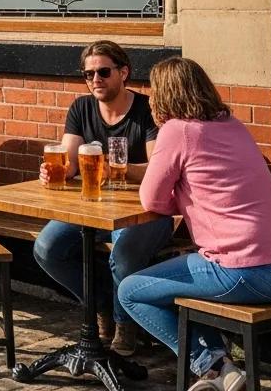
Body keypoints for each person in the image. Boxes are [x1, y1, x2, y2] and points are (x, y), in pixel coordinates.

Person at [119, 57, 271, 391]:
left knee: (131, 290)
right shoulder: (232, 124)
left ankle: (211, 365)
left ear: (166, 95)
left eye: (156, 91)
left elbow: (150, 200)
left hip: (243, 271)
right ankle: (223, 371)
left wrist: (181, 201)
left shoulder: (177, 130)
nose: (152, 98)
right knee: (177, 276)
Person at [33, 40, 174, 356]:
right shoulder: (81, 108)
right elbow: (69, 162)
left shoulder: (146, 111)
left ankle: (126, 324)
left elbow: (158, 169)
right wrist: (56, 171)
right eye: (88, 74)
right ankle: (103, 305)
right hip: (95, 206)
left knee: (122, 254)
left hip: (146, 210)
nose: (95, 79)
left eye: (103, 72)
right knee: (46, 248)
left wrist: (118, 170)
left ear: (123, 72)